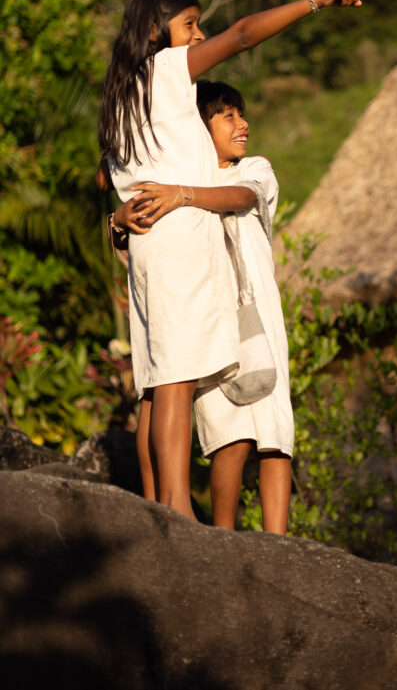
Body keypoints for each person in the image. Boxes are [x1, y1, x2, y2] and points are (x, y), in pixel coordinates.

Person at [100, 0, 368, 518]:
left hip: (150, 244)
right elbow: (244, 34)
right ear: (154, 32)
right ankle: (175, 506)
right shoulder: (166, 70)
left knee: (160, 380)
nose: (199, 37)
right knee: (174, 380)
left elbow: (105, 178)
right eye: (190, 26)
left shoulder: (122, 93)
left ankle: (164, 502)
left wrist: (116, 217)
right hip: (176, 236)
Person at [115, 81, 292, 532]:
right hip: (210, 317)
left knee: (274, 436)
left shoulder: (253, 168)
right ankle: (223, 537)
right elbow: (125, 204)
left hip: (259, 314)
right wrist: (117, 219)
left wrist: (184, 195)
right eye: (228, 115)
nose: (243, 123)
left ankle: (279, 544)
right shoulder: (180, 176)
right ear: (199, 127)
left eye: (241, 113)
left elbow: (242, 197)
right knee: (228, 437)